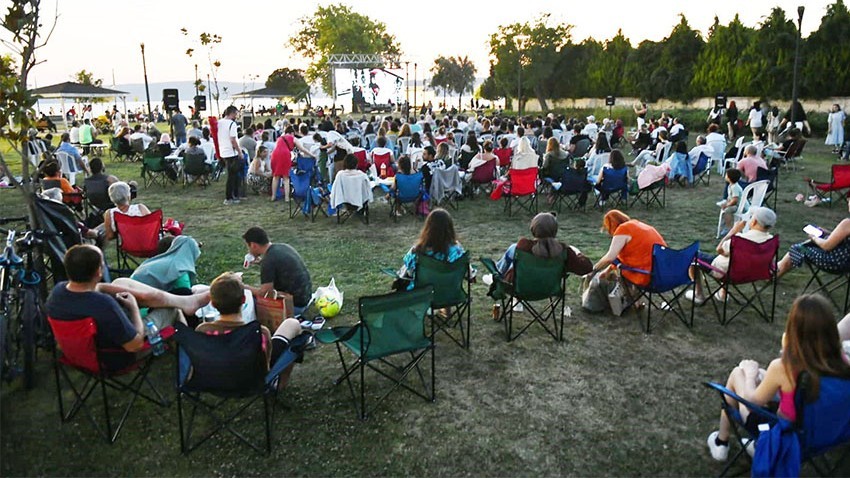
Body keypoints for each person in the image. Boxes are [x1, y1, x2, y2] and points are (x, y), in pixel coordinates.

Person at [705, 294, 850, 462]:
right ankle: (755, 446)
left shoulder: (784, 366)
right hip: (824, 433)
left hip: (785, 435)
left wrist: (751, 375)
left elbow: (752, 402)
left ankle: (721, 441)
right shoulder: (842, 362)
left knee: (739, 373)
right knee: (763, 377)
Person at [45, 245, 209, 363]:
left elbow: (99, 287)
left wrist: (127, 294)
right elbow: (135, 345)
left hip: (78, 353)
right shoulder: (104, 304)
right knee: (172, 310)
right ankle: (192, 355)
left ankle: (187, 302)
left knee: (123, 282)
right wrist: (133, 307)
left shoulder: (57, 293)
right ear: (98, 272)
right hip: (115, 357)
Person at [195, 272, 302, 387]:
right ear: (244, 299)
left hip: (216, 380)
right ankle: (280, 384)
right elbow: (266, 363)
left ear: (212, 303)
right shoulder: (260, 333)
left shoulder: (202, 330)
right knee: (292, 323)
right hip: (253, 380)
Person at [687, 207, 776, 304]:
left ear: (753, 222)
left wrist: (733, 231)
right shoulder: (771, 241)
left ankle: (698, 294)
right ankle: (722, 294)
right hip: (753, 274)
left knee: (693, 256)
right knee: (734, 261)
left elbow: (720, 250)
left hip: (725, 273)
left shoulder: (740, 240)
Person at [491, 212, 592, 284]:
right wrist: (577, 253)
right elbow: (587, 268)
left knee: (513, 250)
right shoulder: (564, 251)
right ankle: (498, 273)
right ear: (555, 230)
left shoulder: (524, 246)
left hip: (521, 288)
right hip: (549, 289)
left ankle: (497, 275)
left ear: (533, 229)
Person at [242, 226, 312, 315]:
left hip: (294, 306)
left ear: (253, 245)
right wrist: (261, 262)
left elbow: (266, 293)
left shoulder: (268, 261)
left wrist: (245, 288)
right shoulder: (282, 247)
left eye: (248, 247)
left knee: (250, 300)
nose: (249, 250)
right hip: (305, 298)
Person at [777, 196, 850, 278]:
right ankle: (777, 268)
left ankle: (775, 274)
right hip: (846, 263)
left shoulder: (847, 224)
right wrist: (828, 234)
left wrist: (814, 238)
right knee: (810, 244)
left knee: (799, 248)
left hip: (835, 263)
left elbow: (827, 246)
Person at [592, 210, 666, 288]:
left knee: (618, 273)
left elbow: (610, 258)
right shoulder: (637, 225)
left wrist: (594, 269)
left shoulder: (623, 229)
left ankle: (625, 297)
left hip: (646, 275)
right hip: (663, 273)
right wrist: (607, 270)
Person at [395, 209, 465, 288]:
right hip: (449, 294)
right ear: (450, 228)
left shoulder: (417, 251)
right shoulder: (457, 251)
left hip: (422, 295)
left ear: (428, 228)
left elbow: (409, 273)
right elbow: (468, 274)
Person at [270, 126, 314, 203]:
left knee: (276, 176)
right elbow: (302, 149)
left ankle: (273, 196)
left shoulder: (280, 138)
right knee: (286, 177)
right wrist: (312, 155)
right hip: (285, 154)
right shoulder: (293, 138)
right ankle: (287, 198)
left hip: (275, 154)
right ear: (292, 133)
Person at [217, 106, 241, 205]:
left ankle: (234, 195)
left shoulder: (219, 123)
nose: (237, 115)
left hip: (223, 151)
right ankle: (229, 197)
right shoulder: (232, 124)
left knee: (231, 175)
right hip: (231, 152)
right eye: (236, 113)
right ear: (232, 113)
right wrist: (239, 151)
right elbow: (233, 139)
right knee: (232, 176)